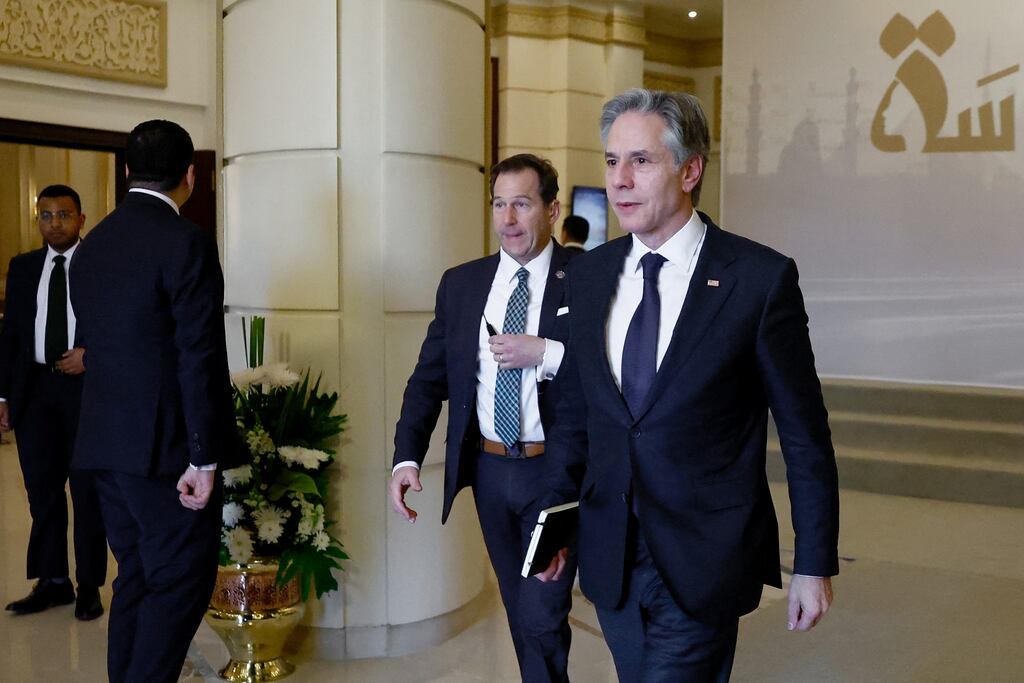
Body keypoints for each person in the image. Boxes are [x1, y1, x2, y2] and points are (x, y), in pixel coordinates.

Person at [538, 89, 840, 682]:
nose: (620, 180)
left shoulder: (758, 279)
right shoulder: (591, 275)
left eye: (641, 161)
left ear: (690, 169)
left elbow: (805, 434)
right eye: (611, 161)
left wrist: (813, 561)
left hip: (707, 554)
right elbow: (579, 414)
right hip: (613, 556)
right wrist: (558, 521)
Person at [389, 154, 578, 682]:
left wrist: (546, 351)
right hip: (491, 472)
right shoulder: (463, 284)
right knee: (521, 609)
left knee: (543, 610)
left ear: (551, 209)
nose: (508, 219)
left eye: (522, 204)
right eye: (500, 205)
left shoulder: (582, 278)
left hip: (556, 471)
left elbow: (609, 375)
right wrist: (407, 456)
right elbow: (428, 379)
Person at [70, 120, 238, 683]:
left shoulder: (91, 246)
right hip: (166, 455)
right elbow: (199, 356)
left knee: (137, 578)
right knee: (178, 586)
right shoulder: (185, 240)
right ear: (190, 175)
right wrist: (203, 458)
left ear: (125, 171)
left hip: (101, 446)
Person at [0, 184, 108, 621]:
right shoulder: (23, 267)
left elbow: (123, 326)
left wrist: (92, 356)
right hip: (35, 393)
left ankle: (89, 585)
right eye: (46, 215)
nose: (55, 223)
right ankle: (53, 582)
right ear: (37, 220)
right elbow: (9, 338)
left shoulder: (101, 265)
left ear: (81, 219)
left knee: (86, 492)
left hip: (86, 392)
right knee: (42, 493)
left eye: (64, 214)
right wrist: (4, 394)